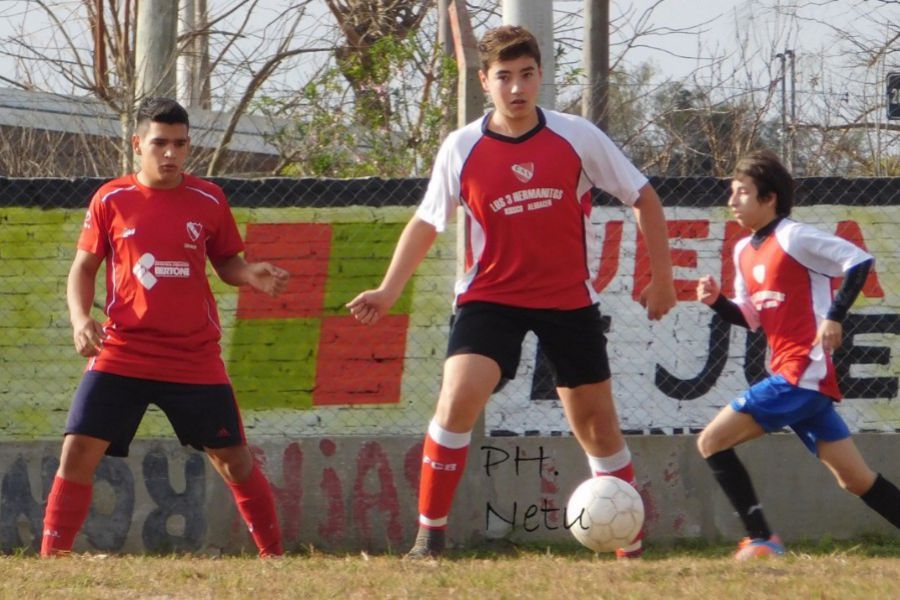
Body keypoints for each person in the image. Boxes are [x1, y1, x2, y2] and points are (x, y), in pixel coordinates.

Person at [347, 25, 676, 559]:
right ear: (485, 81)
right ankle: (428, 540)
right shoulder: (462, 146)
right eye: (504, 77)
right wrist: (387, 290)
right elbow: (428, 222)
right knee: (457, 397)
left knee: (596, 425)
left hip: (567, 299)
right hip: (490, 298)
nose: (516, 88)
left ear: (540, 77)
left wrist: (663, 278)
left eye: (526, 76)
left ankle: (628, 548)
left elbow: (643, 196)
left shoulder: (576, 135)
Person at [41, 97, 290, 558]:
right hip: (123, 350)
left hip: (193, 356)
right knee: (76, 451)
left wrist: (249, 272)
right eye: (160, 143)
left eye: (180, 144)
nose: (171, 153)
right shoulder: (111, 199)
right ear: (138, 144)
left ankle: (275, 558)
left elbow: (227, 262)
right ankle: (50, 560)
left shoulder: (209, 198)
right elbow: (82, 269)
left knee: (234, 461)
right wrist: (81, 319)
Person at [695, 149, 900, 560]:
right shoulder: (743, 251)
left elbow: (858, 260)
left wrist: (834, 317)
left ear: (769, 198)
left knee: (711, 442)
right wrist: (718, 302)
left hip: (800, 376)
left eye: (742, 192)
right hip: (799, 381)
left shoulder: (793, 236)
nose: (732, 201)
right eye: (731, 193)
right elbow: (750, 317)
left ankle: (761, 539)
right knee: (855, 479)